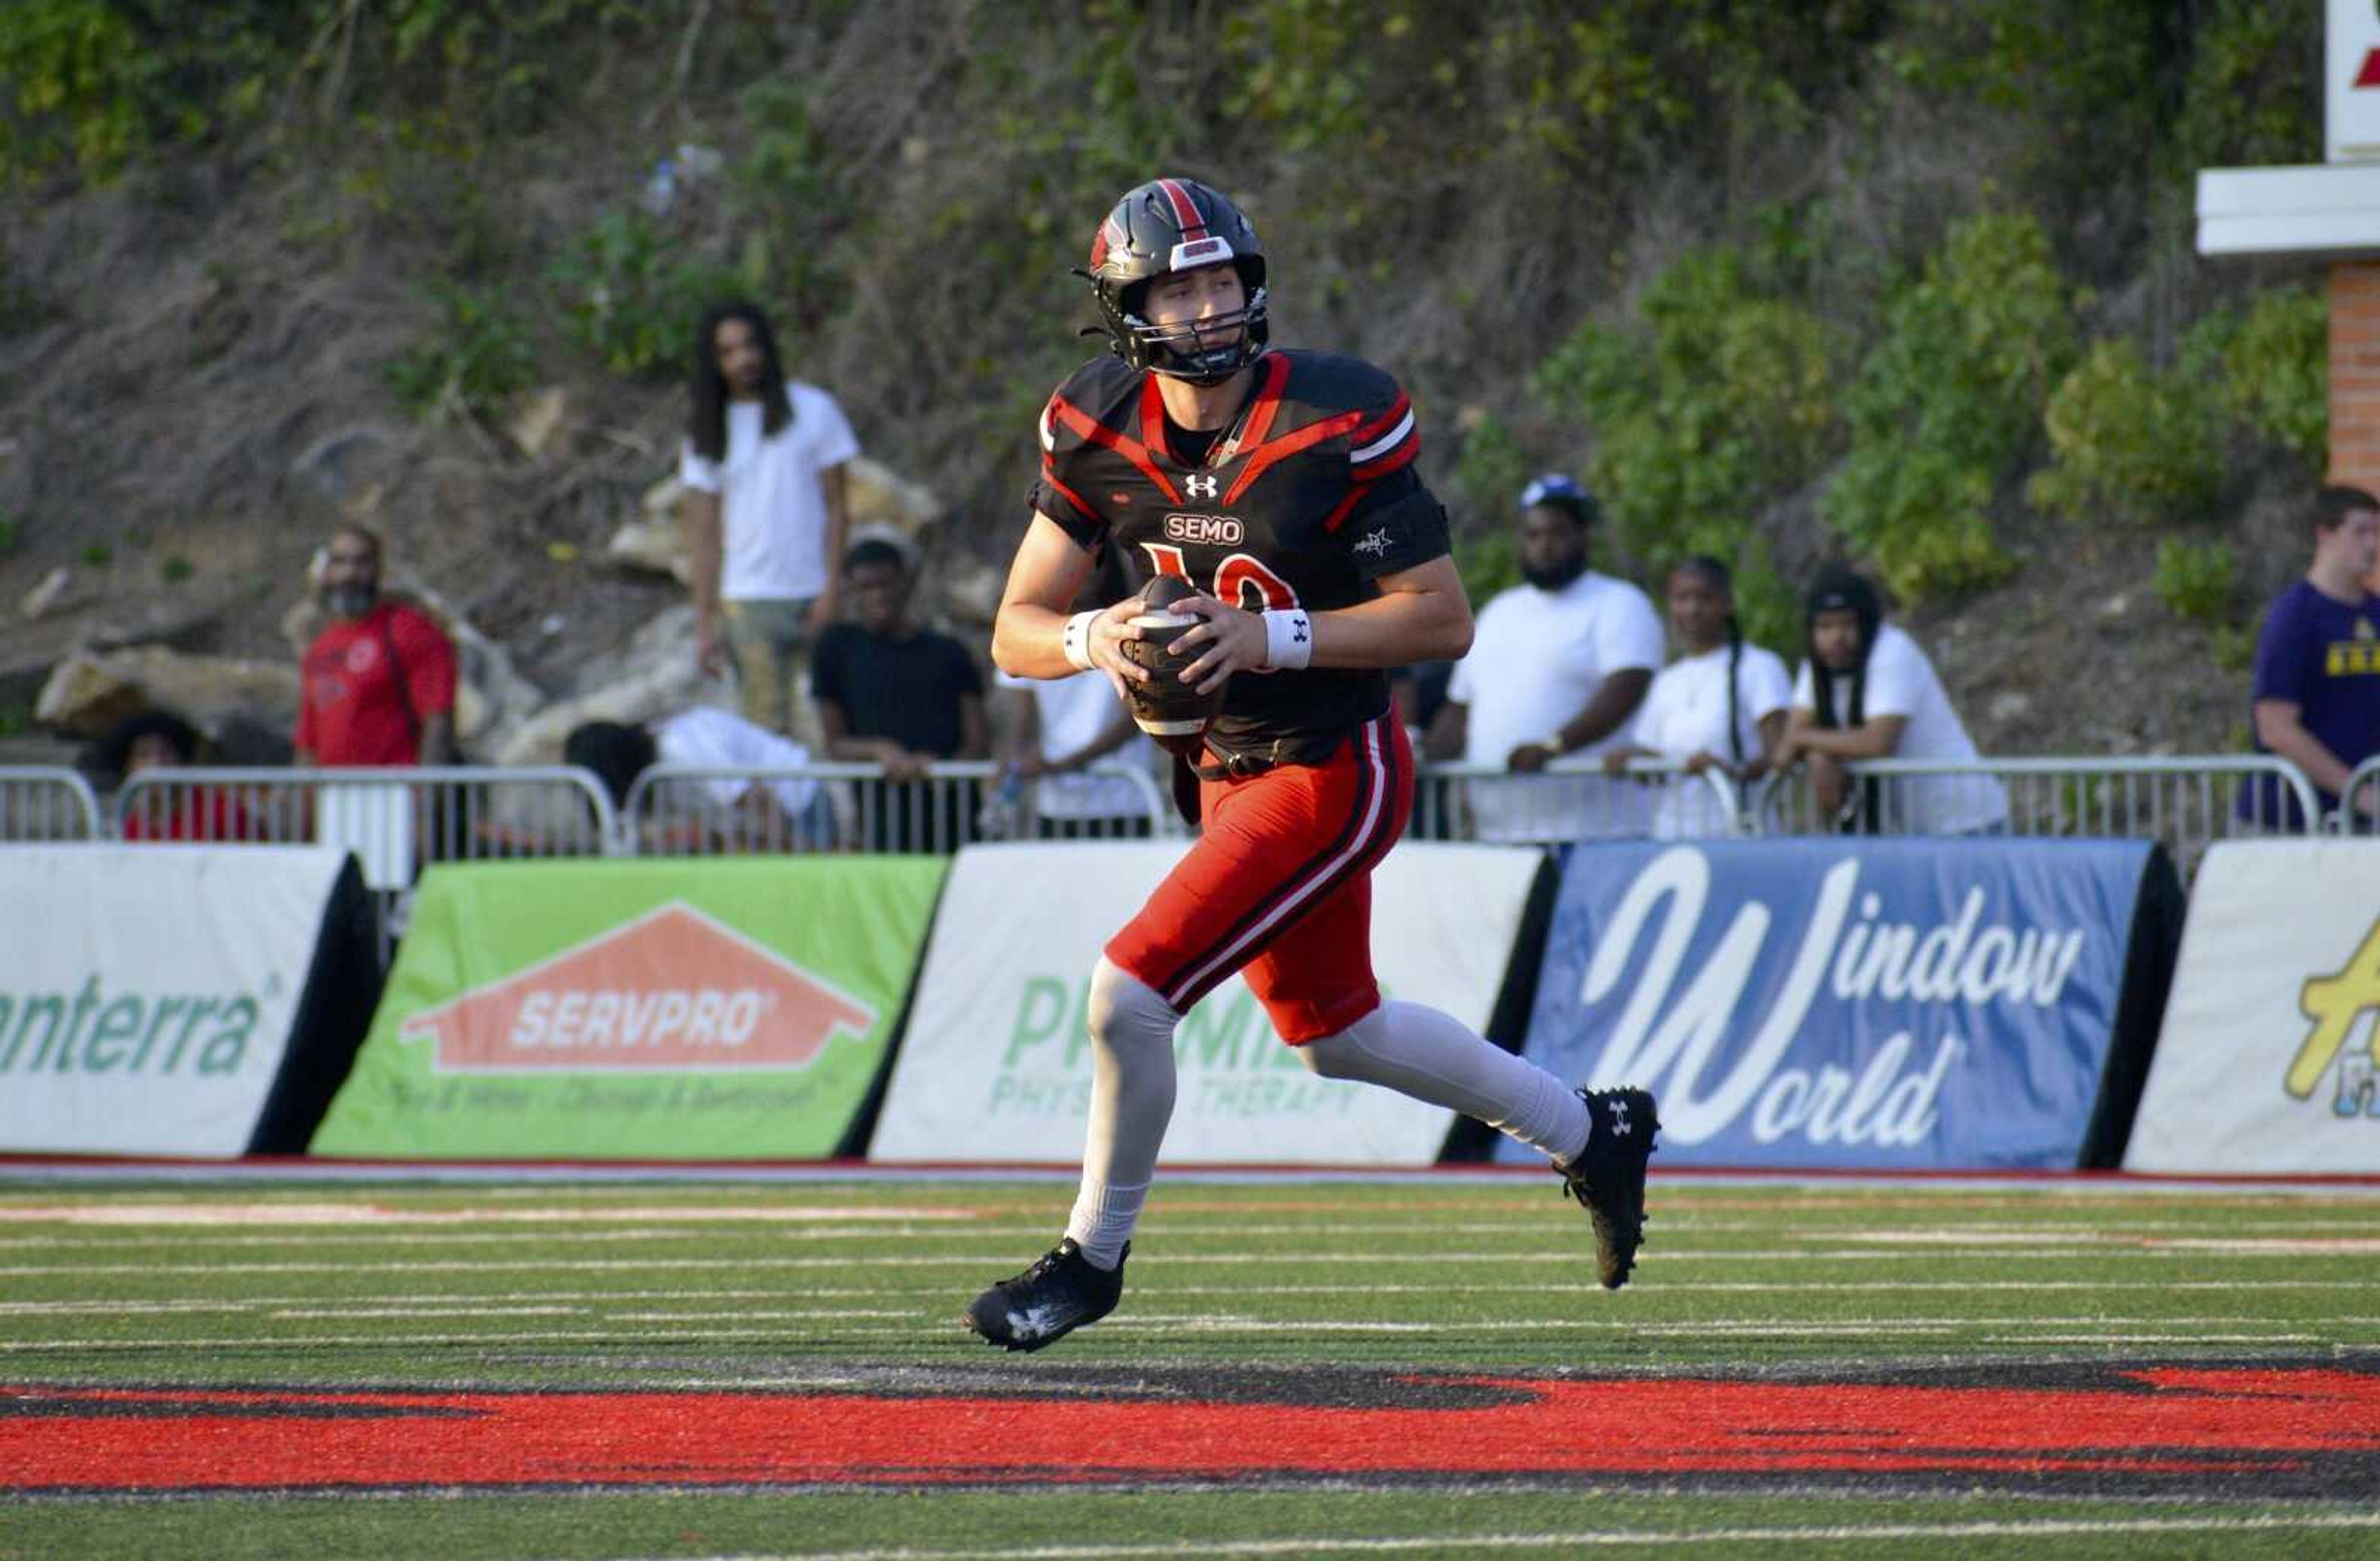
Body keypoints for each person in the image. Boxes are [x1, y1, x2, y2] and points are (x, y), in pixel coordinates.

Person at [966, 175, 1658, 1354]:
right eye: (1179, 289)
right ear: (1129, 306)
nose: (1208, 308)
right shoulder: (1093, 422)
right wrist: (1103, 636)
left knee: (1127, 993)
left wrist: (1271, 634)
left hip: (1336, 760)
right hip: (1226, 767)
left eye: (1223, 279)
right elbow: (1016, 626)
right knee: (1336, 1028)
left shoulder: (1338, 414)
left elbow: (1440, 619)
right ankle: (1594, 1132)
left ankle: (1092, 1257)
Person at [1423, 475, 1662, 841]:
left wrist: (1554, 746)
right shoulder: (1499, 612)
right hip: (1498, 836)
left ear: (1584, 536)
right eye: (1533, 536)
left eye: (1558, 534)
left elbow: (1626, 688)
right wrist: (1420, 758)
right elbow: (1460, 709)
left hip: (1597, 833)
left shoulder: (1619, 603)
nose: (1544, 546)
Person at [680, 301, 860, 739]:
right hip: (748, 600)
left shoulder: (814, 409)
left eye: (749, 346)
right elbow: (703, 533)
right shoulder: (707, 429)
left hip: (812, 592)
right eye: (727, 352)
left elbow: (838, 507)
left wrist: (833, 589)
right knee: (766, 737)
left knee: (829, 729)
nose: (742, 359)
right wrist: (706, 622)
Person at [1771, 566, 2008, 835]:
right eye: (1825, 626)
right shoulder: (1816, 667)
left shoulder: (1892, 651)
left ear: (1866, 624)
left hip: (1966, 820)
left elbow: (1878, 742)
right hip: (1910, 830)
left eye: (1847, 624)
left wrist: (1807, 742)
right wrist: (1817, 755)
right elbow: (1791, 738)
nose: (1837, 638)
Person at [809, 536, 989, 850]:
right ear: (851, 590)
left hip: (954, 820)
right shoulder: (835, 649)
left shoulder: (949, 652)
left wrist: (937, 770)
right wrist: (881, 751)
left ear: (906, 584)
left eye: (885, 584)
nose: (878, 596)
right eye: (866, 587)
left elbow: (977, 743)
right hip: (880, 823)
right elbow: (835, 743)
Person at [1600, 556, 1792, 838]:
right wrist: (1631, 760)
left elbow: (1780, 756)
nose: (1692, 610)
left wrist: (1728, 772)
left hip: (1741, 836)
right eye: (1682, 598)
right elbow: (1659, 765)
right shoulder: (1667, 680)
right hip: (1675, 839)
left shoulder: (1759, 666)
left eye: (1705, 598)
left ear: (1727, 603)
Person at [989, 543, 1160, 839]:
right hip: (1057, 805)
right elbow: (1019, 723)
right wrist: (1011, 764)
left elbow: (1133, 720)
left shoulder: (1131, 630)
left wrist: (1065, 764)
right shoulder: (1026, 634)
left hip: (1122, 800)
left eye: (1093, 565)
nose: (1083, 575)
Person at [2241, 484, 2380, 829]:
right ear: (2325, 536)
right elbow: (2276, 727)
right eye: (2360, 531)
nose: (2373, 544)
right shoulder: (2295, 616)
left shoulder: (2376, 614)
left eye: (2377, 532)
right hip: (2290, 821)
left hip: (2360, 822)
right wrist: (2358, 793)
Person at [293, 524, 457, 768]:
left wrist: (428, 795)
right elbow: (308, 737)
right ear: (327, 571)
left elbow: (437, 717)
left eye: (362, 562)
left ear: (378, 570)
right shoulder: (321, 647)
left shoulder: (408, 631)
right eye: (340, 562)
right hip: (333, 793)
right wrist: (302, 801)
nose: (350, 573)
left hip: (393, 789)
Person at [562, 710, 835, 853]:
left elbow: (758, 801)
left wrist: (796, 857)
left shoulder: (682, 748)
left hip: (798, 804)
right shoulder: (653, 777)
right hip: (763, 823)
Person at [100, 709, 263, 842]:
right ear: (128, 767)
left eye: (165, 752)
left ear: (181, 758)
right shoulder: (130, 827)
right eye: (143, 755)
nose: (157, 762)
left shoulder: (221, 813)